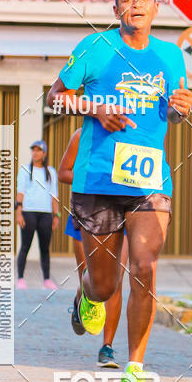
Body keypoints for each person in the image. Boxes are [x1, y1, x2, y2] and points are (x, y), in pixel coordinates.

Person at [47, 0, 192, 382]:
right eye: (127, 0)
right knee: (105, 284)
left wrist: (182, 108)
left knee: (145, 269)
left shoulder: (170, 56)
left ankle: (135, 368)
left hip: (149, 180)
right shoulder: (95, 48)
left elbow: (174, 115)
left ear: (155, 8)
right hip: (97, 179)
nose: (136, 5)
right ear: (116, 12)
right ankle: (86, 297)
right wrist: (96, 109)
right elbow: (56, 97)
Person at [58, 128, 129, 368]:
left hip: (124, 212)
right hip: (87, 211)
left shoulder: (137, 136)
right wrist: (97, 177)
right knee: (90, 276)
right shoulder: (81, 135)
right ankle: (81, 298)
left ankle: (106, 347)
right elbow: (63, 172)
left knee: (116, 281)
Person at [15, 140, 59, 290]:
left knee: (45, 248)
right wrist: (18, 212)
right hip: (29, 213)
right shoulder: (25, 170)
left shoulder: (51, 172)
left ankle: (47, 280)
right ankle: (20, 279)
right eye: (33, 150)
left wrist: (56, 215)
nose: (35, 153)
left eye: (38, 150)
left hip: (45, 214)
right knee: (25, 246)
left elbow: (54, 195)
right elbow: (20, 192)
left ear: (44, 153)